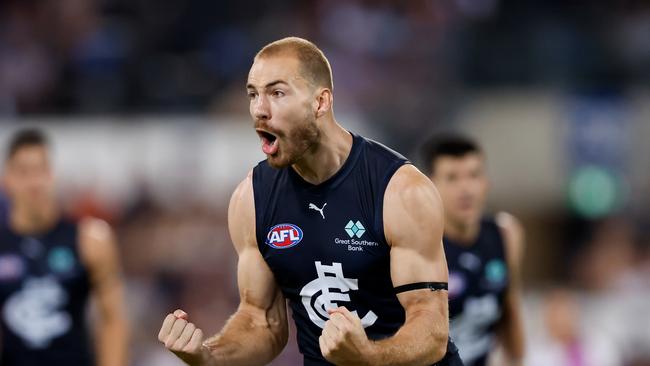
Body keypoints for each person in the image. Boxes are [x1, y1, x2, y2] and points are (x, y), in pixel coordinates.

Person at [158, 37, 463, 365]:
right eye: (253, 94)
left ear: (320, 102)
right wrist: (207, 357)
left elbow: (431, 332)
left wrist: (368, 357)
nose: (260, 110)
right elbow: (262, 324)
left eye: (277, 93)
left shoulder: (400, 190)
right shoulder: (252, 199)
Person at [0, 128, 128, 366]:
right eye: (24, 172)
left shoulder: (88, 239)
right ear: (7, 178)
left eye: (41, 170)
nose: (33, 182)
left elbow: (112, 319)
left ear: (52, 174)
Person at [421, 134, 525, 366]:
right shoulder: (418, 246)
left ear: (486, 182)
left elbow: (510, 314)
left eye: (474, 175)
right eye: (452, 178)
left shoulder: (506, 234)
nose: (466, 189)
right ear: (430, 185)